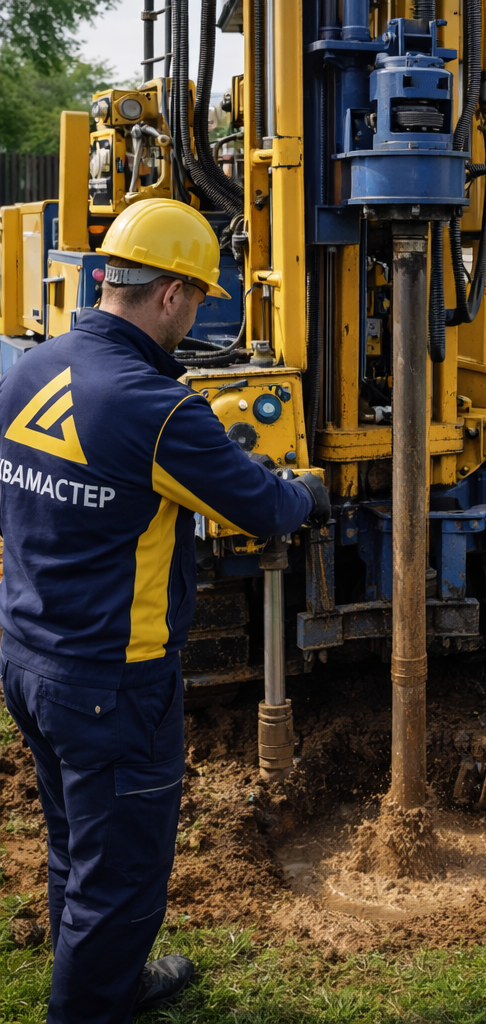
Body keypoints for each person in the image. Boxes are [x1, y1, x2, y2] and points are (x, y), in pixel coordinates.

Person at [0, 198, 329, 1024]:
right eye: (200, 298)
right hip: (115, 683)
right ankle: (91, 1008)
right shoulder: (157, 408)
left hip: (28, 659)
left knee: (78, 842)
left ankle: (103, 983)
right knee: (123, 877)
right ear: (173, 293)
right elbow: (264, 509)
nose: (196, 317)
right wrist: (307, 492)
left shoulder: (31, 369)